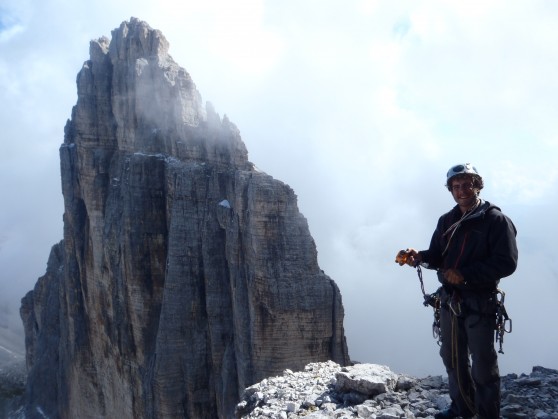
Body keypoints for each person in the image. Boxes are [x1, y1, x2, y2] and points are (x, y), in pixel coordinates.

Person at [397, 163, 518, 419]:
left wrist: (466, 274)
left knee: (483, 365)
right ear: (450, 190)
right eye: (456, 186)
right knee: (453, 359)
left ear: (477, 185)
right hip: (450, 301)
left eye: (467, 184)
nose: (461, 190)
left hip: (479, 301)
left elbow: (506, 262)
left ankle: (487, 415)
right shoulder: (447, 221)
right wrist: (418, 256)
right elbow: (438, 256)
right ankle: (462, 408)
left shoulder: (496, 220)